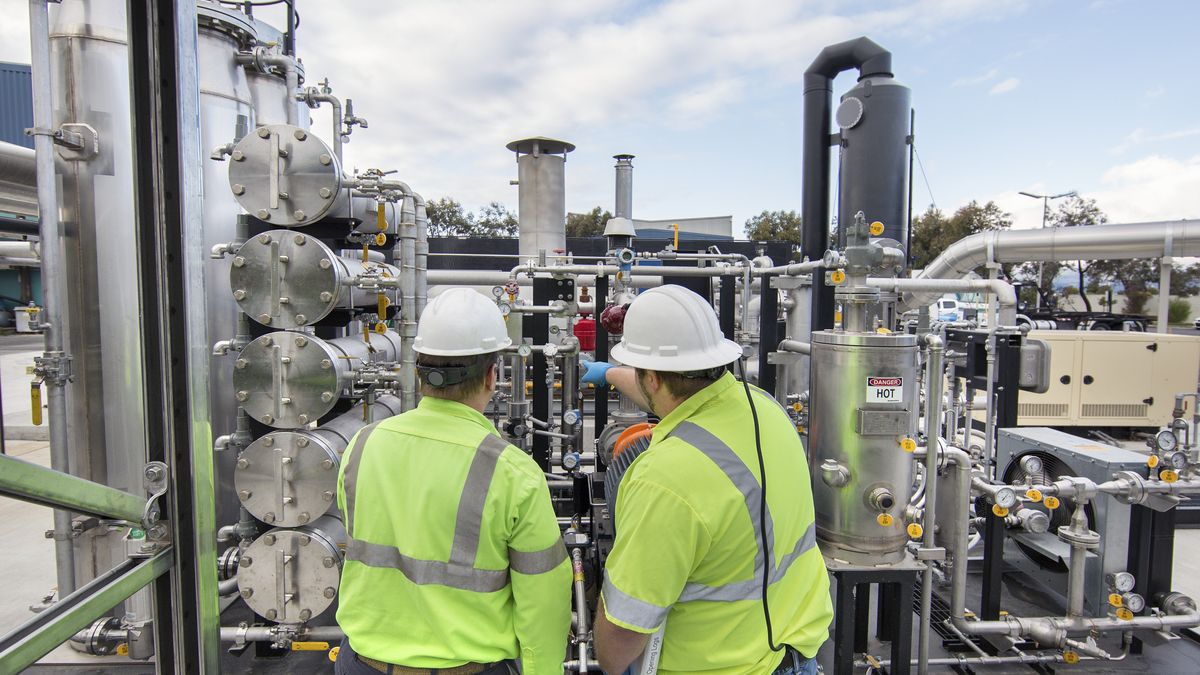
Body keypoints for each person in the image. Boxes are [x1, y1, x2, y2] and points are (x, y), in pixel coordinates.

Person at [584, 285, 832, 675]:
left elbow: (621, 638)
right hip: (798, 655)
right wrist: (610, 374)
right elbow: (670, 390)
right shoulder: (767, 410)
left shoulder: (664, 477)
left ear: (650, 377)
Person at [335, 288, 571, 675]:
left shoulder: (363, 444)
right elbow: (544, 598)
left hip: (363, 663)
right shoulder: (511, 472)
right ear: (492, 376)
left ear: (418, 370)